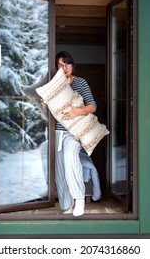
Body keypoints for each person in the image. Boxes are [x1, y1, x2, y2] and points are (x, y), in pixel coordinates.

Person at [55, 51, 101, 216]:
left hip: (74, 133)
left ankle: (79, 199)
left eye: (67, 64)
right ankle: (66, 206)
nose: (64, 68)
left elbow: (92, 106)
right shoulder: (53, 85)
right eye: (61, 65)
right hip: (56, 134)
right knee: (59, 171)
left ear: (72, 66)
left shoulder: (80, 82)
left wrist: (77, 111)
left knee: (70, 157)